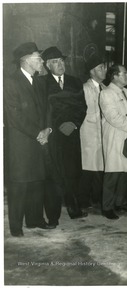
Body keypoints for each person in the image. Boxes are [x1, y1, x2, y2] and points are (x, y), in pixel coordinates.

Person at [4, 42, 55, 237]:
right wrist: (38, 133)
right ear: (26, 60)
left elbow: (47, 109)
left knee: (37, 182)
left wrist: (48, 129)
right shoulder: (10, 81)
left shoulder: (40, 82)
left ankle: (34, 220)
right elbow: (14, 116)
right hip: (22, 143)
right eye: (38, 58)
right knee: (19, 184)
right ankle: (16, 226)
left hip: (40, 140)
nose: (42, 62)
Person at [41, 46, 88, 219]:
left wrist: (74, 124)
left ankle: (74, 208)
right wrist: (56, 125)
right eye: (55, 62)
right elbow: (43, 110)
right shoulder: (42, 83)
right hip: (52, 135)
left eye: (62, 61)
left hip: (72, 134)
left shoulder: (75, 82)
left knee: (73, 171)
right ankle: (53, 215)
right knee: (53, 172)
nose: (60, 64)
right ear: (47, 65)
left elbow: (83, 107)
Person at [100, 64, 127, 219]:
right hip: (115, 136)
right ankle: (107, 207)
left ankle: (120, 202)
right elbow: (113, 117)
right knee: (113, 172)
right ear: (115, 76)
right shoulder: (106, 93)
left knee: (126, 171)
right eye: (125, 73)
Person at [79, 54, 107, 209]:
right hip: (89, 134)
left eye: (104, 67)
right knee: (88, 169)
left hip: (102, 134)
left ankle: (96, 198)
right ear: (92, 72)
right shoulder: (85, 88)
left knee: (99, 168)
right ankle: (83, 201)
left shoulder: (105, 88)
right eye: (100, 68)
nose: (104, 70)